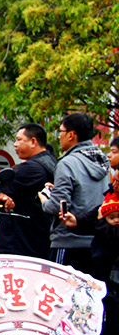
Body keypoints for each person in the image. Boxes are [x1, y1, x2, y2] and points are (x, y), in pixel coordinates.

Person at [40, 113, 110, 272]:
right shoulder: (104, 161)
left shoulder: (68, 163)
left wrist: (44, 199)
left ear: (71, 135)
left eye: (61, 132)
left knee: (61, 292)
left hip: (68, 242)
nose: (59, 137)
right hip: (98, 242)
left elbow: (57, 206)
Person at [61, 192, 119, 335]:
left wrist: (102, 222)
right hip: (105, 271)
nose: (114, 184)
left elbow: (113, 236)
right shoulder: (110, 197)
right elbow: (93, 218)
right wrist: (76, 221)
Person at [0, 123, 57, 258]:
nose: (15, 144)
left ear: (33, 141)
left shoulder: (31, 168)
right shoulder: (51, 162)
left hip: (23, 243)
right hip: (40, 239)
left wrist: (1, 195)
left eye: (19, 139)